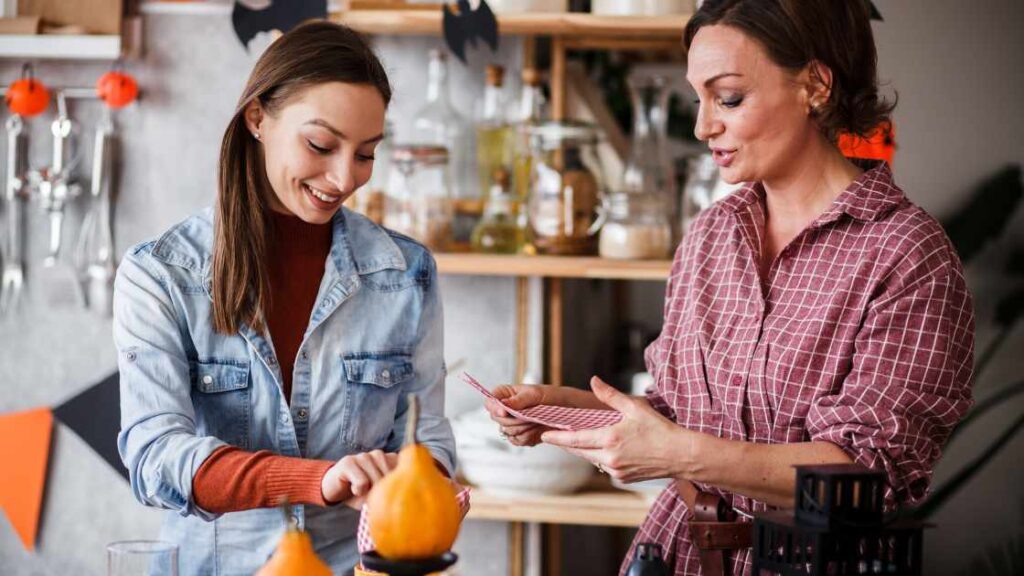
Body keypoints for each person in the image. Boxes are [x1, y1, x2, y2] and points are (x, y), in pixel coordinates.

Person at [486, 1, 974, 574]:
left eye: (729, 98)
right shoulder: (714, 232)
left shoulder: (908, 253)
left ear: (815, 85)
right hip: (676, 550)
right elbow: (679, 412)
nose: (702, 126)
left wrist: (677, 453)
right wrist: (565, 411)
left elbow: (867, 476)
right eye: (699, 98)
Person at [115, 21, 455, 575]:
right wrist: (317, 481)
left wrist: (413, 481)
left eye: (366, 154)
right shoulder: (160, 274)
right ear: (258, 118)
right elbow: (154, 458)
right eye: (321, 144)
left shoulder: (405, 272)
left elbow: (430, 439)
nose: (345, 177)